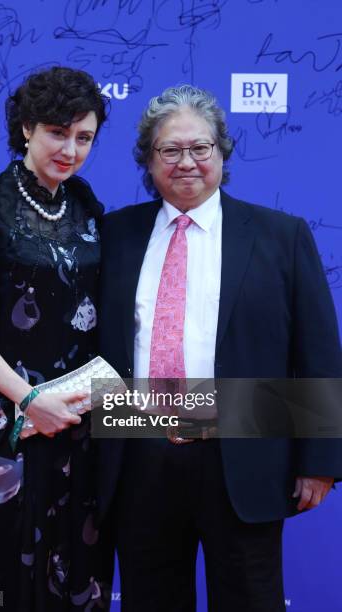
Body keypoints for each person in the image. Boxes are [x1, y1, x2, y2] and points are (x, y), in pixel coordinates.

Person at [96, 85, 342, 611]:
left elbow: (317, 351)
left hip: (243, 457)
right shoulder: (113, 235)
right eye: (170, 150)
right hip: (138, 457)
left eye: (200, 148)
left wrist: (320, 459)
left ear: (221, 153)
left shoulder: (280, 235)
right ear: (149, 159)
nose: (186, 162)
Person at [0, 66, 110, 610]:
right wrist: (31, 399)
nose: (71, 150)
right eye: (59, 132)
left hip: (77, 419)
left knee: (76, 562)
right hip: (3, 418)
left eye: (84, 137)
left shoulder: (85, 205)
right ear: (27, 129)